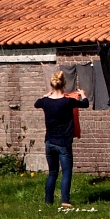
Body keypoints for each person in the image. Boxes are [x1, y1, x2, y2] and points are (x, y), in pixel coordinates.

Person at [34, 70, 89, 208]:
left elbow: (36, 103)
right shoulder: (68, 102)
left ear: (52, 84)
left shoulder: (45, 102)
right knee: (66, 172)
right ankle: (65, 201)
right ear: (64, 84)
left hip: (49, 142)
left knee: (52, 173)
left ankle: (48, 202)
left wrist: (45, 95)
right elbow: (85, 103)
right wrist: (83, 94)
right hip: (64, 143)